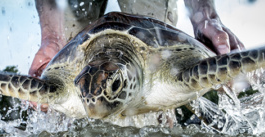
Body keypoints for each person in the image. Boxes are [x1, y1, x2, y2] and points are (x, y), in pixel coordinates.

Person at [28, 0, 244, 110]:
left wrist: (204, 16)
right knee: (65, 107)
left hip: (150, 44)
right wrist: (52, 38)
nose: (94, 108)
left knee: (156, 110)